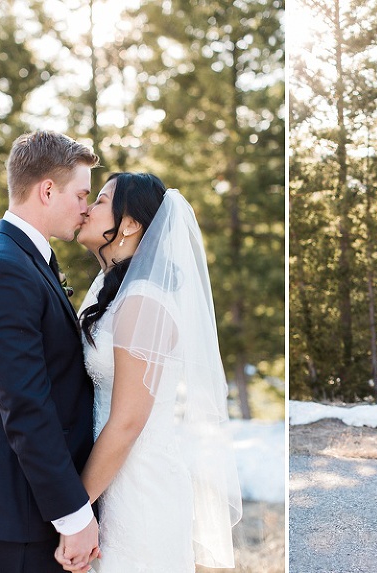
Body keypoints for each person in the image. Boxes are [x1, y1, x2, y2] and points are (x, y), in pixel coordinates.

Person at [62, 172, 242, 572]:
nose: (88, 207)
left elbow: (128, 421)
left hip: (140, 488)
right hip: (112, 474)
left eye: (102, 200)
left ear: (129, 224)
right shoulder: (111, 291)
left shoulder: (143, 302)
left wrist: (76, 510)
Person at [0, 131, 101, 572]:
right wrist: (73, 516)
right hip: (21, 510)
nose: (86, 207)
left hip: (31, 505)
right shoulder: (3, 270)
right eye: (80, 194)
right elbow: (24, 406)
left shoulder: (20, 259)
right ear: (47, 190)